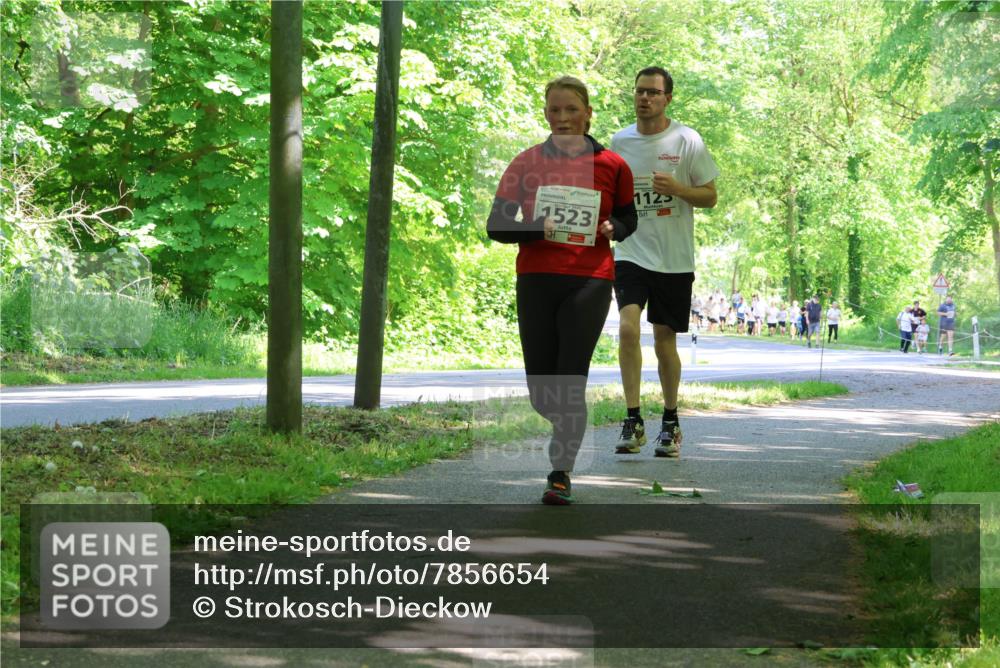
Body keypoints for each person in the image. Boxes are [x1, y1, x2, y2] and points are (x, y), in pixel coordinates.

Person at [487, 76, 637, 504]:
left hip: (591, 280)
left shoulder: (613, 165)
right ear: (546, 114)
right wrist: (538, 227)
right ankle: (568, 425)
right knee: (542, 391)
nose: (563, 117)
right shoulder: (526, 162)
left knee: (570, 381)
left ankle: (560, 473)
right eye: (555, 109)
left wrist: (614, 227)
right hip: (536, 279)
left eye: (572, 109)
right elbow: (497, 226)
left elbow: (629, 218)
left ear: (588, 113)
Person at [611, 66, 719, 458]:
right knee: (627, 328)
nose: (644, 98)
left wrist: (677, 189)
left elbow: (710, 196)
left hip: (673, 258)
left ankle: (670, 421)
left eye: (653, 92)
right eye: (639, 91)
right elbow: (613, 194)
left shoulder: (687, 140)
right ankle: (633, 418)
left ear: (667, 98)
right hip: (631, 251)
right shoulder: (620, 141)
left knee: (663, 340)